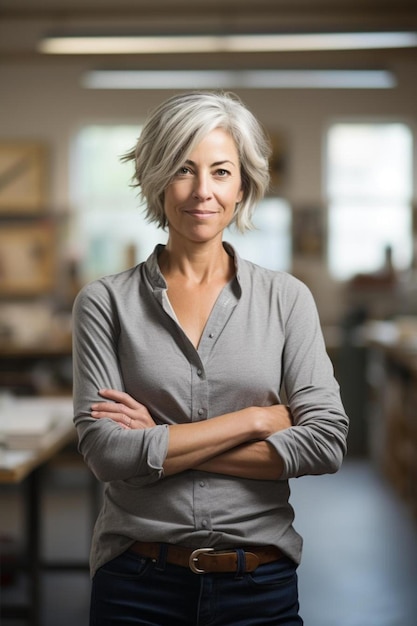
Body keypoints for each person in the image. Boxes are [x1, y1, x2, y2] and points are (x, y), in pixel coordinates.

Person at [72, 91, 349, 626]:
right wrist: (254, 421)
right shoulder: (104, 303)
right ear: (156, 178)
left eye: (221, 171)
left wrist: (159, 438)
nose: (203, 191)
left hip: (260, 581)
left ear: (242, 184)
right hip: (135, 582)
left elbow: (326, 442)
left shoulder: (287, 299)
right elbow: (106, 452)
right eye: (183, 169)